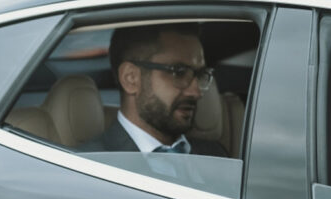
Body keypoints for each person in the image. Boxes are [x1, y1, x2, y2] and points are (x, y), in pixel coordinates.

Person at [80, 23, 226, 156]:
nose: (196, 93)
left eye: (200, 74)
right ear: (131, 78)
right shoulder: (90, 166)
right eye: (178, 72)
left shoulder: (215, 156)